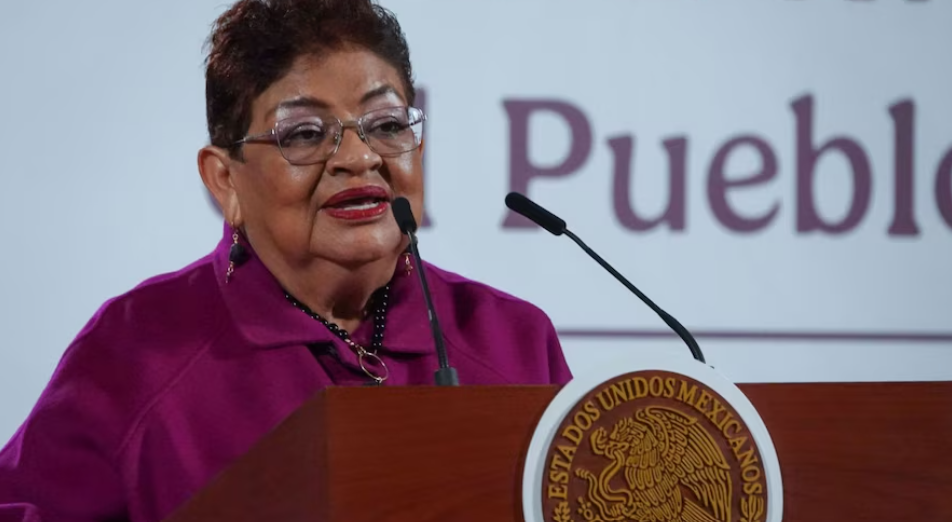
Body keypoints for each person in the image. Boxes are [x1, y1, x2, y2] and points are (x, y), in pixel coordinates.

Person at [0, 1, 572, 521]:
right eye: (303, 134)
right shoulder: (137, 353)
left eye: (387, 125)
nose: (359, 157)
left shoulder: (512, 340)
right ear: (224, 180)